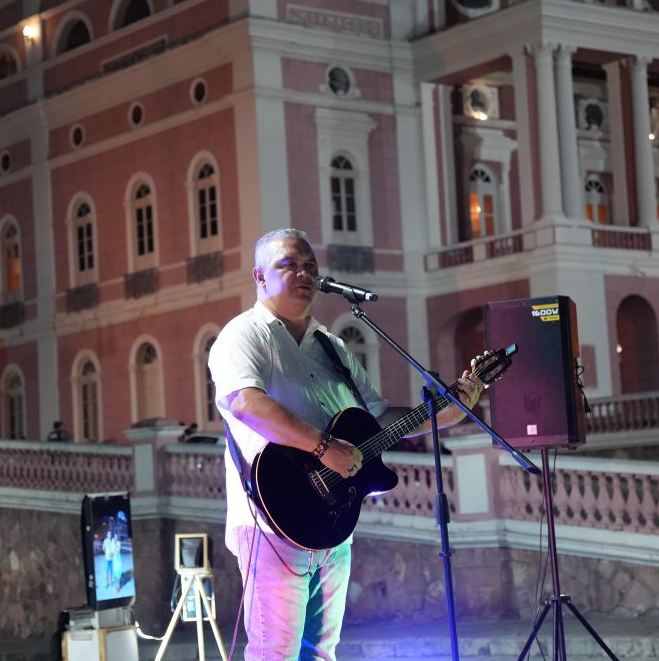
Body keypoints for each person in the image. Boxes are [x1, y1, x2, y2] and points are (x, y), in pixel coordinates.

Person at [208, 227, 485, 660]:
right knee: (275, 653)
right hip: (272, 522)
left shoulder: (333, 347)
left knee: (322, 651)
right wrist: (324, 448)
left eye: (310, 266)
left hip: (333, 521)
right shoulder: (243, 335)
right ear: (260, 277)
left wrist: (445, 413)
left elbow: (376, 419)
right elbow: (246, 403)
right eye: (289, 265)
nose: (305, 273)